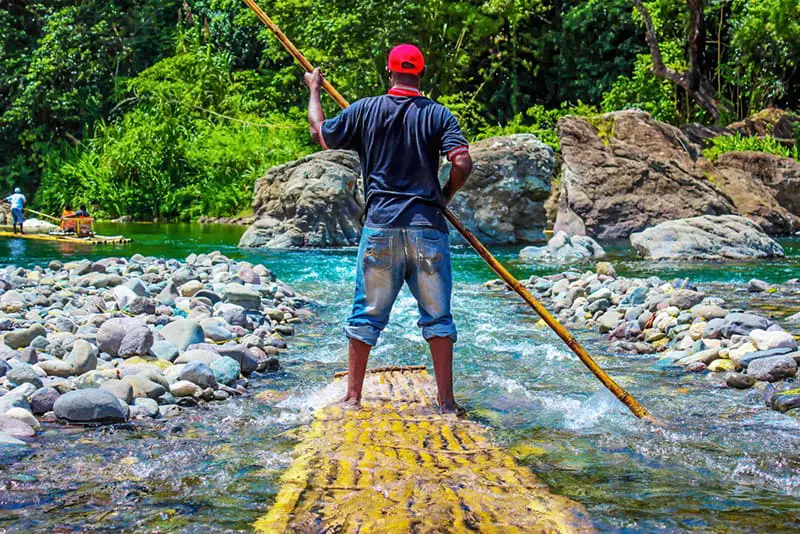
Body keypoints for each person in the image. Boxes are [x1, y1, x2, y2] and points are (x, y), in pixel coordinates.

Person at [303, 44, 473, 413]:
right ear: (421, 74)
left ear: (388, 71)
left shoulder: (365, 109)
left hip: (381, 226)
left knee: (366, 315)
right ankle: (446, 402)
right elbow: (461, 161)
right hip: (427, 226)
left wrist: (314, 89)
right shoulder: (439, 114)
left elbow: (321, 133)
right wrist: (444, 194)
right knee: (438, 317)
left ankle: (352, 398)